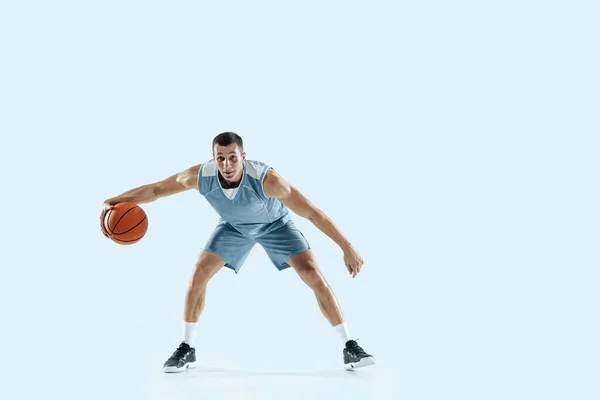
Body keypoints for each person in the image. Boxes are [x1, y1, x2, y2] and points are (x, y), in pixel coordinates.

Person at [100, 132, 375, 372]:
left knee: (312, 274)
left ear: (243, 156)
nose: (226, 165)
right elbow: (157, 189)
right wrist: (115, 200)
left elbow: (313, 213)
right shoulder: (200, 176)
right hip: (233, 228)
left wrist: (346, 247)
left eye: (232, 157)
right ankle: (187, 348)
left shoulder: (269, 181)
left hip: (275, 225)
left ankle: (349, 346)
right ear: (213, 158)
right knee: (199, 273)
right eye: (220, 158)